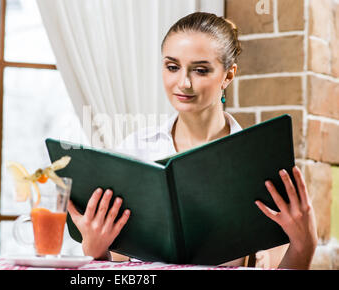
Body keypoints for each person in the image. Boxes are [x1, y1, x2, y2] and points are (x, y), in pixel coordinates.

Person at [67, 12, 318, 269]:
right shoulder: (134, 151)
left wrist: (304, 244)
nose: (183, 83)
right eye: (172, 67)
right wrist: (95, 250)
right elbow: (120, 268)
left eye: (200, 70)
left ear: (228, 76)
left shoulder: (259, 162)